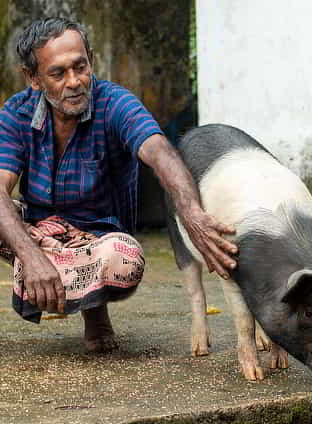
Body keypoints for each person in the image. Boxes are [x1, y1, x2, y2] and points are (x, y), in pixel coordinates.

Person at [0, 17, 237, 352]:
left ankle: (95, 314)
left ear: (90, 60)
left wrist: (192, 214)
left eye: (80, 67)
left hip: (97, 241)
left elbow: (160, 152)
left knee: (125, 261)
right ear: (33, 78)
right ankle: (43, 274)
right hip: (37, 236)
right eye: (58, 73)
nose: (74, 82)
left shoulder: (115, 104)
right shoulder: (16, 113)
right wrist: (31, 255)